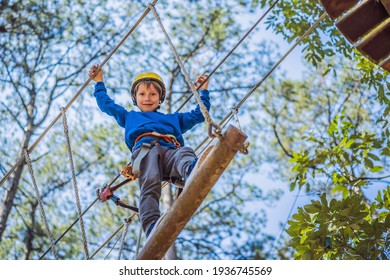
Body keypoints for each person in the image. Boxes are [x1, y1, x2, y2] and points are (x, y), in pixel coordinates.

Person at [88, 65, 210, 237]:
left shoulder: (174, 119)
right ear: (135, 98)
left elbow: (199, 114)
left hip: (170, 152)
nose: (147, 98)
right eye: (142, 94)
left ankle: (191, 169)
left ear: (160, 99)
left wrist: (203, 91)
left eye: (153, 94)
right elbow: (106, 104)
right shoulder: (129, 116)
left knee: (184, 153)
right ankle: (152, 225)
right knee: (150, 182)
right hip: (146, 151)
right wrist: (98, 81)